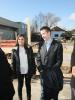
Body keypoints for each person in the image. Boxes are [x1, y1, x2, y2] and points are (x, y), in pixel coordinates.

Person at [36, 26, 63, 100]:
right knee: (43, 95)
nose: (42, 36)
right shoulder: (41, 44)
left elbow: (59, 61)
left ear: (49, 33)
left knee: (54, 96)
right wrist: (40, 69)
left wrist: (51, 71)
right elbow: (38, 58)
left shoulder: (58, 45)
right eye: (41, 34)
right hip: (43, 76)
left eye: (44, 33)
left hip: (54, 76)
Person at [11, 34, 36, 100]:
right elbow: (13, 62)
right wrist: (13, 73)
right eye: (19, 39)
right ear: (17, 40)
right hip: (19, 71)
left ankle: (29, 98)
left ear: (25, 40)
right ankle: (20, 98)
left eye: (22, 39)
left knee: (28, 86)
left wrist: (34, 71)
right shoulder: (14, 49)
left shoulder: (29, 48)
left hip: (28, 70)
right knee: (20, 86)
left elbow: (33, 60)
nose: (20, 41)